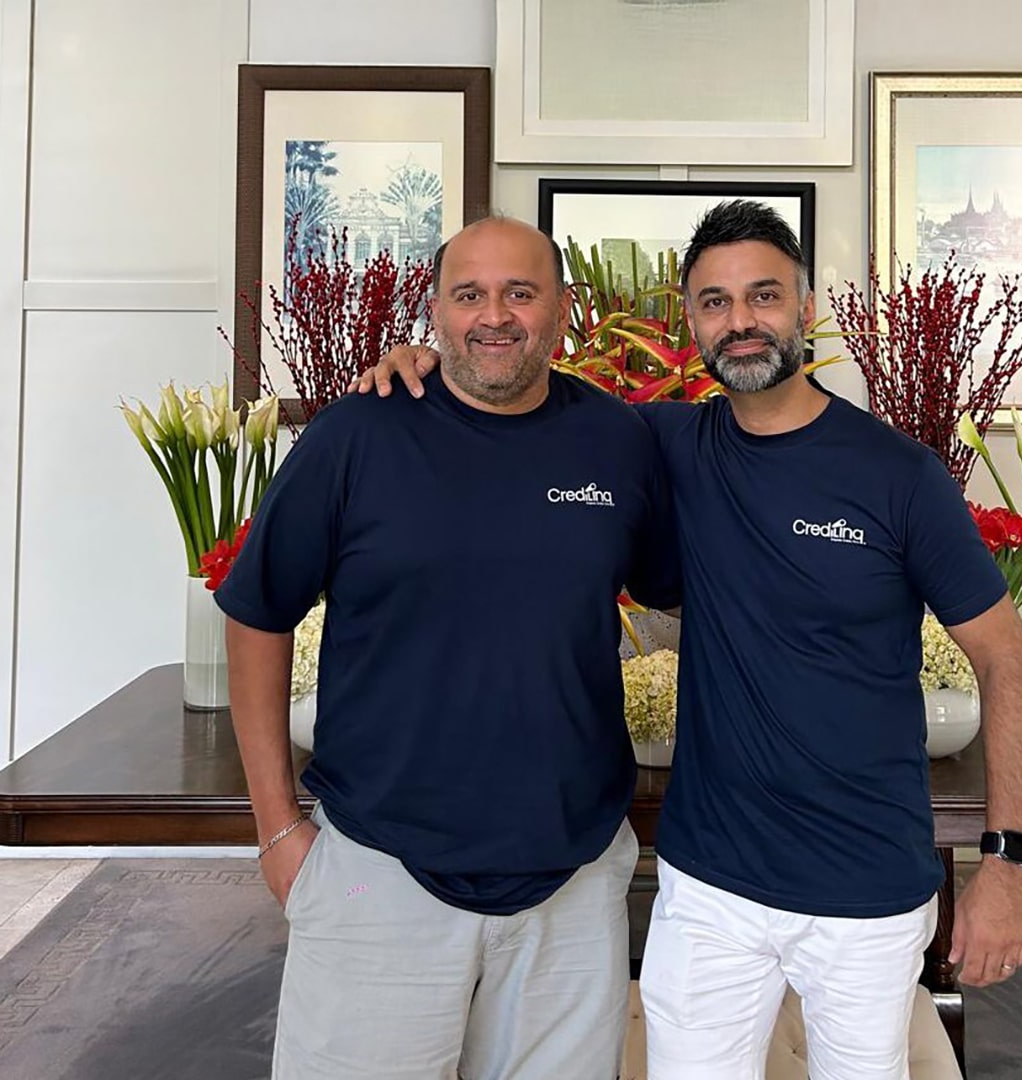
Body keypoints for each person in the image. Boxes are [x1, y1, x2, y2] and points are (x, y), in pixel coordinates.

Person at [359, 200, 1022, 1080]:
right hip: (709, 882)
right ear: (691, 322)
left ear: (804, 306)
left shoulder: (896, 474)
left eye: (763, 296)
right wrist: (427, 366)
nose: (742, 320)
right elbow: (518, 398)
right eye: (715, 302)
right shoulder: (662, 443)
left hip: (867, 887)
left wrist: (1009, 864)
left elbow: (1006, 663)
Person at [216, 215, 681, 1079]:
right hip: (377, 870)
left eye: (520, 292)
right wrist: (277, 827)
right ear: (435, 310)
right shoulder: (357, 435)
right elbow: (256, 611)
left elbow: (673, 588)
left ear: (563, 309)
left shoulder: (618, 440)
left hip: (571, 881)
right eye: (469, 294)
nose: (494, 316)